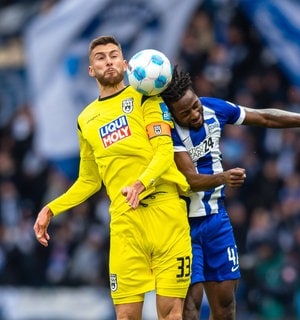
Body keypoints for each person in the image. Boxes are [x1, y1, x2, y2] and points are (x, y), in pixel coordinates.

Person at [33, 36, 192, 320]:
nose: (108, 61)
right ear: (91, 70)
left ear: (126, 64)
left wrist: (140, 184)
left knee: (171, 314)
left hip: (166, 215)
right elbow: (89, 181)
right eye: (101, 57)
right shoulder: (86, 119)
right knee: (126, 316)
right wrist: (51, 208)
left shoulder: (146, 98)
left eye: (114, 55)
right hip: (125, 223)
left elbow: (164, 153)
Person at [160, 66, 300, 320]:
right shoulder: (165, 130)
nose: (194, 114)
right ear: (172, 114)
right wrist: (223, 177)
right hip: (183, 225)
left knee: (225, 307)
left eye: (195, 106)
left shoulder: (213, 108)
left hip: (217, 221)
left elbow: (265, 117)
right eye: (185, 113)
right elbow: (190, 180)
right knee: (190, 306)